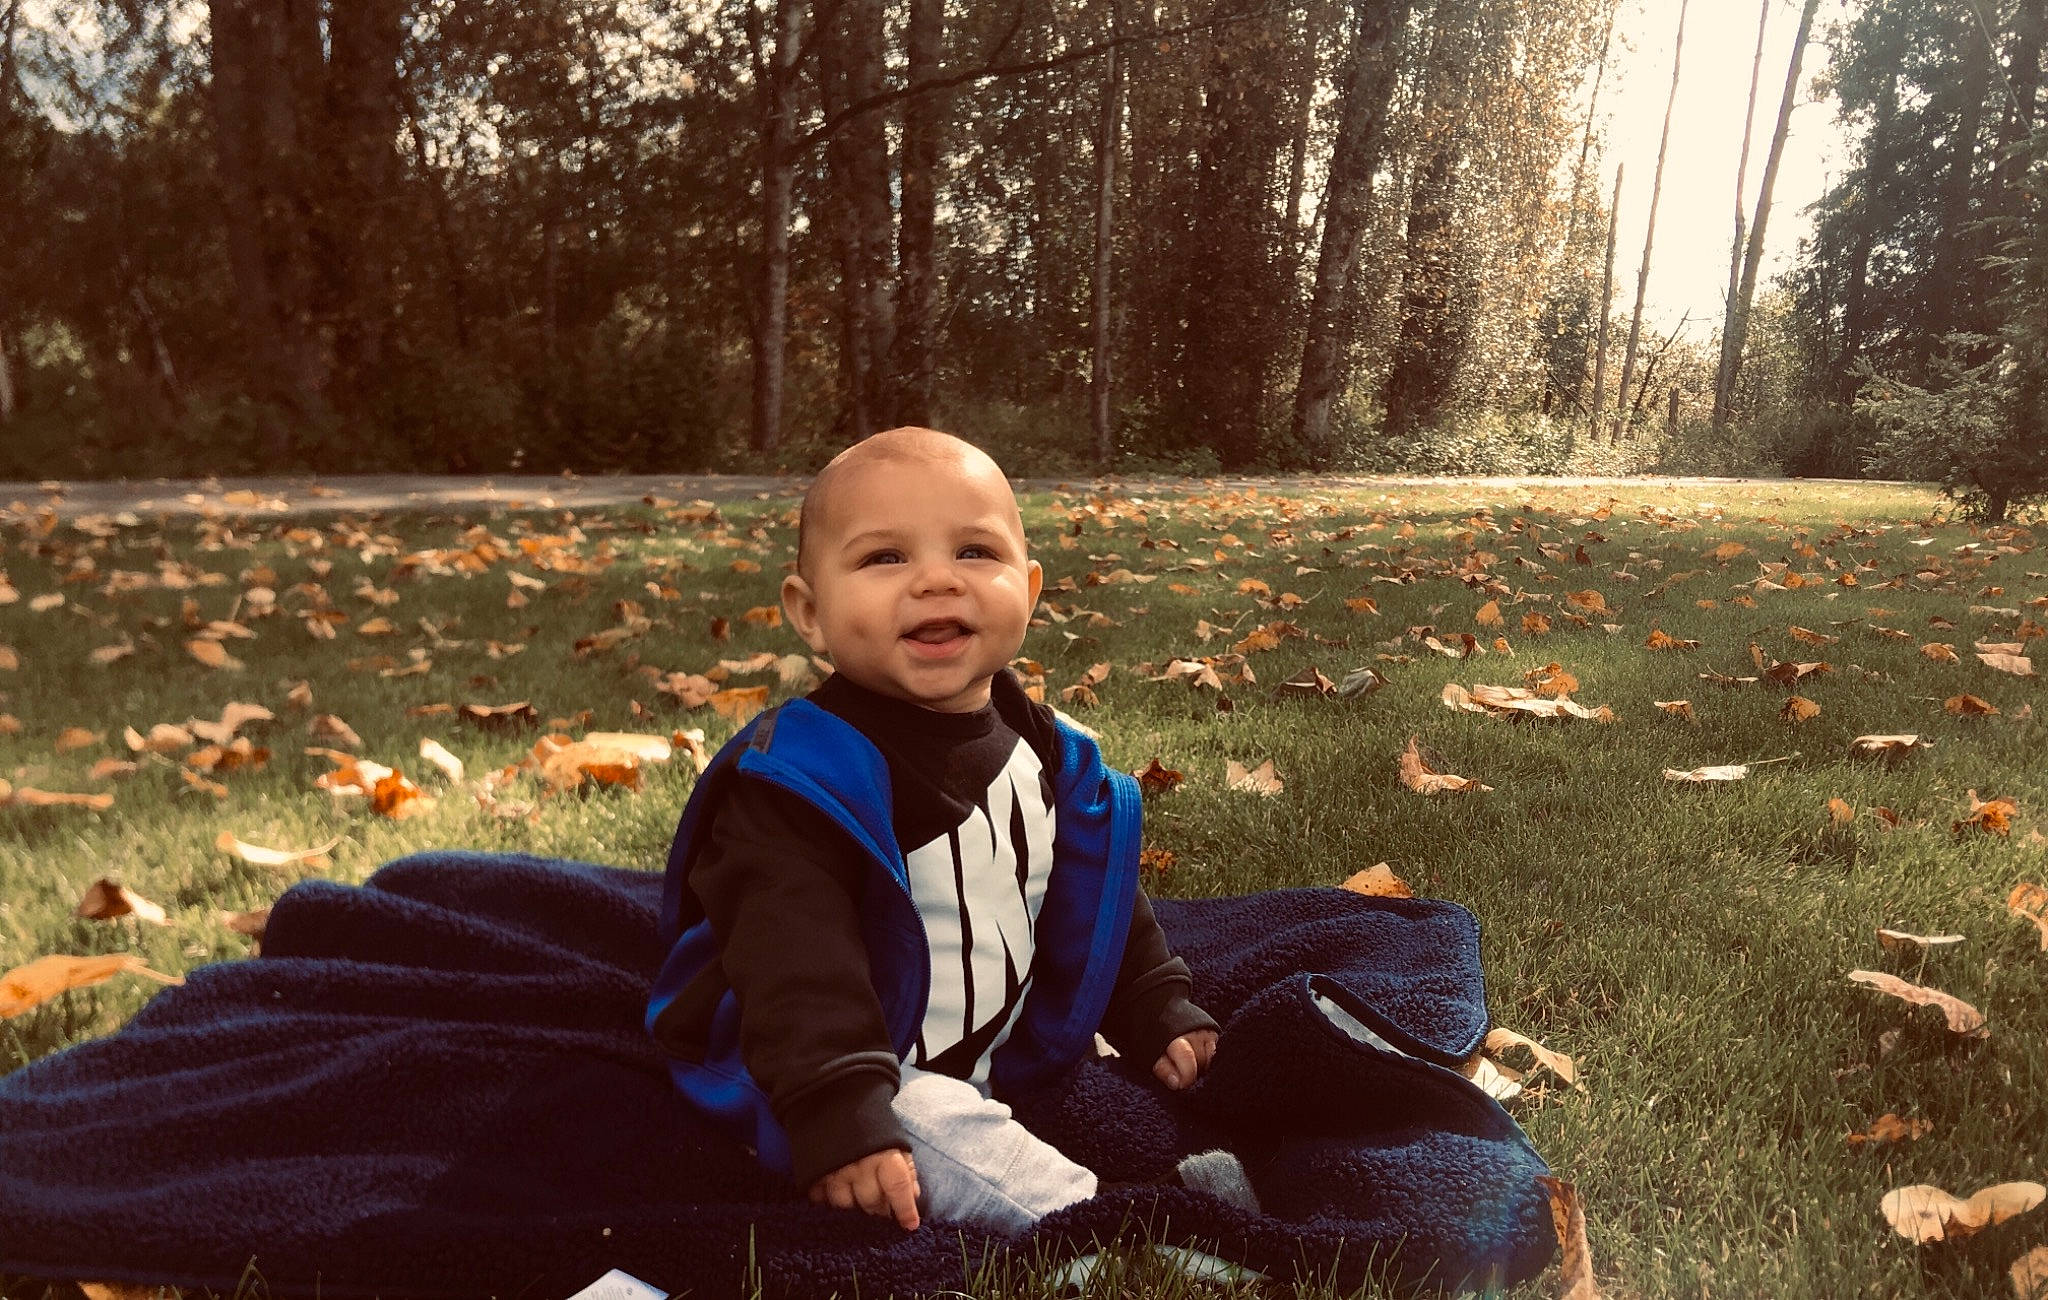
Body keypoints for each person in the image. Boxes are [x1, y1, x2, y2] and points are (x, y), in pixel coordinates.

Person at [645, 427, 1230, 1236]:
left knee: (1109, 1087)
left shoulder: (1045, 745)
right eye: (884, 558)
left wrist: (1150, 1002)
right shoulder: (803, 779)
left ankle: (1184, 1162)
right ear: (810, 614)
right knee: (947, 1132)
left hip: (988, 1045)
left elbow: (1091, 895)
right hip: (848, 1074)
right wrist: (837, 1107)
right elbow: (791, 958)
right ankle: (1124, 1230)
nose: (935, 581)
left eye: (975, 553)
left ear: (1026, 592)